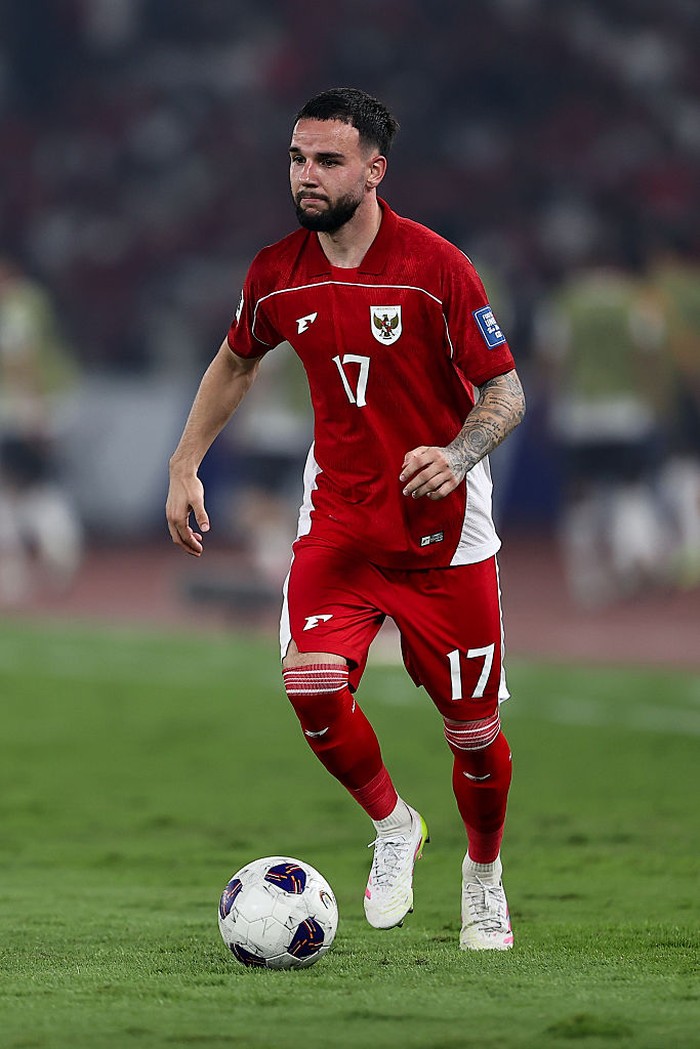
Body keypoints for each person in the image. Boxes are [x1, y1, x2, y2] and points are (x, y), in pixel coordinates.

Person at [166, 88, 526, 951]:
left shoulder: (438, 268)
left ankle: (484, 876)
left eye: (328, 160)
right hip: (339, 520)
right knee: (312, 683)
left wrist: (458, 455)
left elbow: (505, 390)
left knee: (475, 738)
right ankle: (395, 824)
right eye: (297, 158)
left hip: (447, 536)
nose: (308, 175)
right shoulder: (276, 270)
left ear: (374, 169)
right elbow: (234, 362)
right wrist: (185, 462)